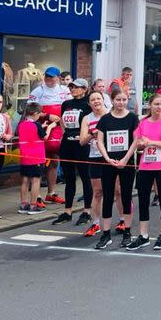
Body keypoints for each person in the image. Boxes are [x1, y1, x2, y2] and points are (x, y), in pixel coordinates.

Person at [124, 94, 161, 250]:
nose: (159, 107)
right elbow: (138, 143)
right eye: (156, 104)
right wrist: (142, 143)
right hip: (145, 166)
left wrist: (153, 142)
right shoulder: (143, 123)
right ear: (150, 105)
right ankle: (143, 235)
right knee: (142, 201)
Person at [95, 90, 140, 248]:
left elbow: (136, 140)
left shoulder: (133, 118)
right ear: (112, 101)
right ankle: (106, 234)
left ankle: (127, 231)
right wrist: (107, 158)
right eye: (118, 100)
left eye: (124, 100)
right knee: (108, 196)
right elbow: (99, 140)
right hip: (109, 162)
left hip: (126, 162)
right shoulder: (105, 119)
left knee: (126, 196)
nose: (121, 103)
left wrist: (125, 159)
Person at [52, 79, 93, 226]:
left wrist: (85, 136)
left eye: (76, 87)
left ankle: (87, 211)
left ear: (84, 89)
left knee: (85, 177)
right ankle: (67, 211)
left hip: (82, 145)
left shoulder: (88, 104)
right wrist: (66, 134)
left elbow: (93, 122)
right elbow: (62, 121)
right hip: (67, 144)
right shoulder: (67, 104)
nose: (73, 89)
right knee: (69, 178)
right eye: (71, 86)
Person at [27, 66, 69, 206]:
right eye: (47, 76)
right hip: (41, 127)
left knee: (55, 160)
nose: (49, 79)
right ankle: (37, 196)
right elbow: (29, 110)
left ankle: (51, 193)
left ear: (58, 78)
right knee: (40, 161)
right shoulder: (38, 91)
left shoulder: (64, 91)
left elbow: (69, 108)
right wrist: (46, 115)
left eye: (52, 77)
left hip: (58, 127)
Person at [79, 91, 109, 237]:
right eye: (93, 99)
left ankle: (123, 220)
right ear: (89, 103)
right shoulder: (87, 118)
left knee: (117, 191)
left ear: (103, 100)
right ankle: (95, 223)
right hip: (95, 156)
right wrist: (93, 134)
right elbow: (82, 141)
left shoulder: (111, 115)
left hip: (111, 157)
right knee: (97, 192)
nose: (96, 101)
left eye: (98, 98)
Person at [16, 103, 46, 215]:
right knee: (35, 180)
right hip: (36, 157)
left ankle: (23, 204)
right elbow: (44, 136)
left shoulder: (21, 124)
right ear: (35, 113)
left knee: (24, 180)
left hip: (24, 157)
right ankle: (33, 205)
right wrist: (51, 126)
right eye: (39, 113)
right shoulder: (37, 125)